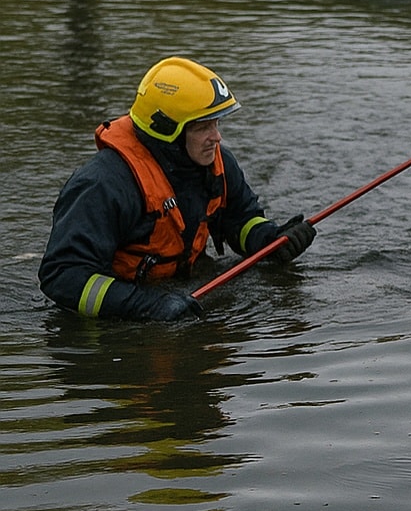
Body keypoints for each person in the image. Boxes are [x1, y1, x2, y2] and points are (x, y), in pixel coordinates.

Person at [39, 57, 316, 321]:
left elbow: (241, 218)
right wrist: (146, 305)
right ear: (169, 131)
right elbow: (63, 276)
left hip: (176, 293)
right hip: (125, 313)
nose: (216, 137)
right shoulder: (103, 185)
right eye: (203, 127)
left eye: (217, 123)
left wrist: (271, 240)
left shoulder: (216, 163)